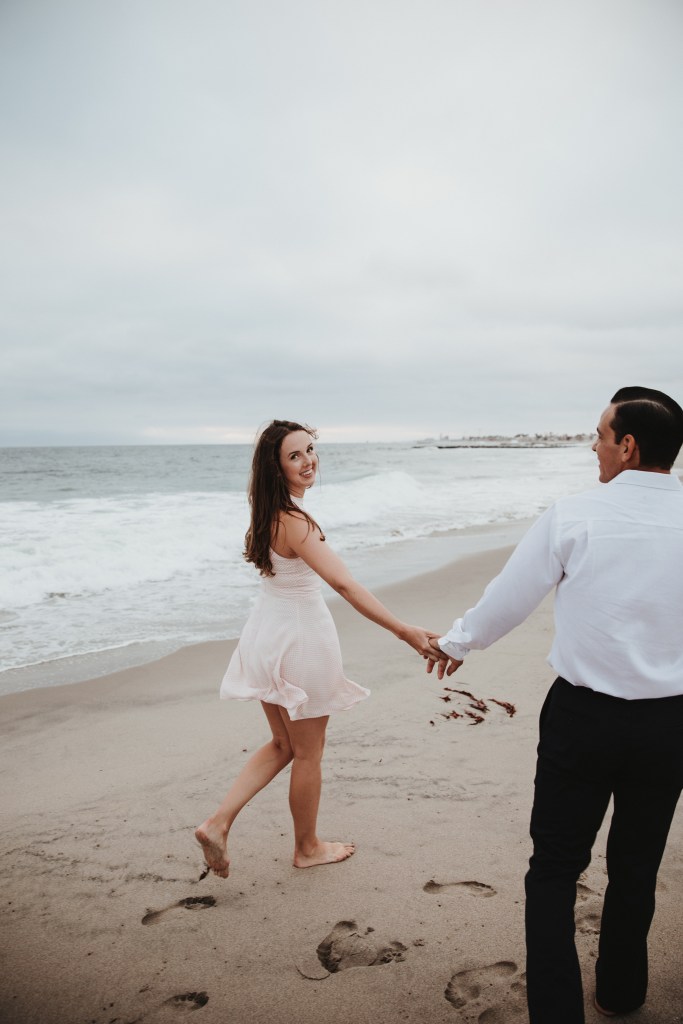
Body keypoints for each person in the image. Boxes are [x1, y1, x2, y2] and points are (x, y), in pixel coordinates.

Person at [425, 387, 683, 1024]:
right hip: (670, 724)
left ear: (628, 446)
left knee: (554, 869)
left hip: (584, 719)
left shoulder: (574, 514)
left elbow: (512, 596)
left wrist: (458, 642)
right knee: (636, 864)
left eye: (599, 434)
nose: (591, 445)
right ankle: (621, 994)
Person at [196, 419, 439, 878]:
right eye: (295, 455)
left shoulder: (266, 514)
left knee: (283, 743)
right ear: (276, 466)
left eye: (310, 450)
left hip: (265, 635)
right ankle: (306, 847)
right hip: (299, 641)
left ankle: (217, 823)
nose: (308, 461)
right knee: (307, 751)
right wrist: (403, 630)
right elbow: (344, 584)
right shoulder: (296, 521)